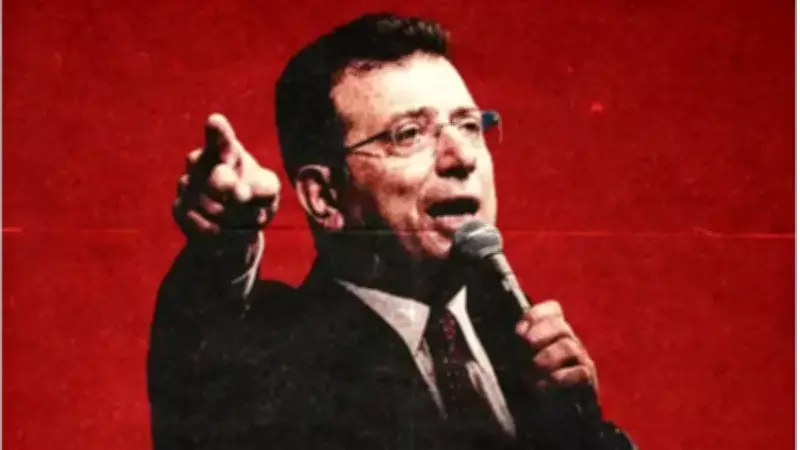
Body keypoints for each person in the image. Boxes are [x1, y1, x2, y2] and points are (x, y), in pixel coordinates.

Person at [148, 12, 636, 450]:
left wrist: (578, 433)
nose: (461, 157)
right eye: (409, 134)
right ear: (324, 197)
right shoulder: (274, 357)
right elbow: (197, 390)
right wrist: (224, 247)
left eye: (469, 125)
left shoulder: (523, 335)